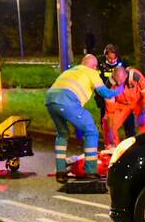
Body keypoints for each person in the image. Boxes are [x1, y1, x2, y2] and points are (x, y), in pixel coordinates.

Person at [46, 54, 124, 183]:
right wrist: (120, 90)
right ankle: (91, 171)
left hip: (50, 100)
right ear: (94, 66)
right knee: (91, 131)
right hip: (68, 101)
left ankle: (60, 171)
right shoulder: (91, 72)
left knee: (62, 134)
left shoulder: (70, 71)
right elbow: (105, 93)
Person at [103, 66, 145, 146]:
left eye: (120, 81)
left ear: (125, 76)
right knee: (108, 124)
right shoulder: (109, 86)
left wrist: (143, 113)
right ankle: (113, 147)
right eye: (116, 81)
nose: (118, 83)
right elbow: (110, 111)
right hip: (121, 104)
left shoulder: (136, 76)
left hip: (139, 101)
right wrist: (110, 130)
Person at [96, 44, 133, 137]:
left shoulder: (123, 62)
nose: (112, 61)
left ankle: (130, 135)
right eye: (109, 58)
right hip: (105, 94)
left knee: (128, 117)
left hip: (121, 94)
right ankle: (109, 138)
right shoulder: (99, 63)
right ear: (105, 55)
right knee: (107, 119)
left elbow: (129, 77)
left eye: (114, 58)